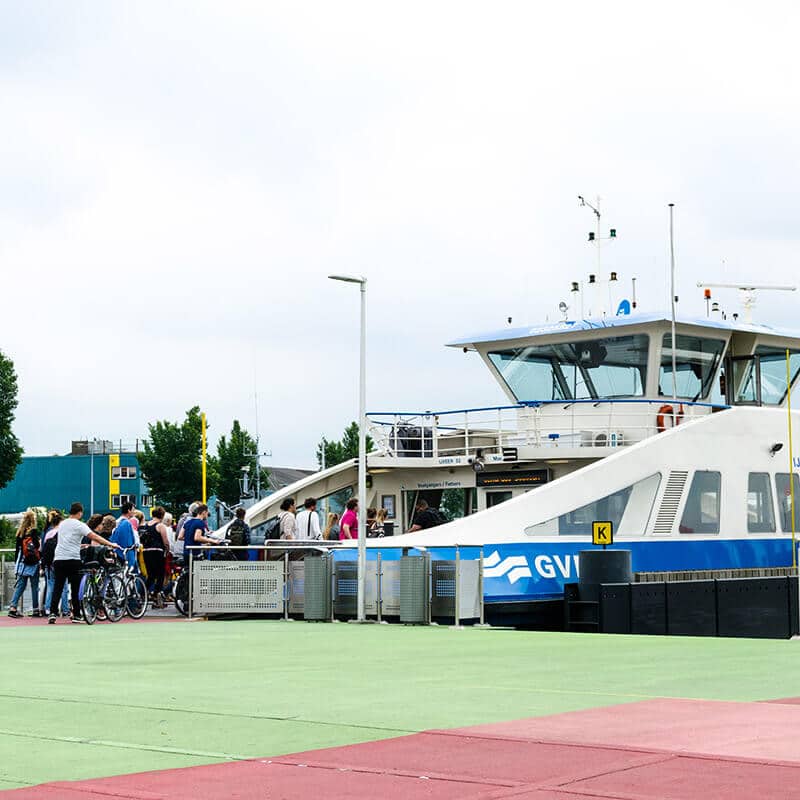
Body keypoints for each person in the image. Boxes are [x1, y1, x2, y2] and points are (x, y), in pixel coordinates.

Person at [49, 502, 118, 624]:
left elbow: (67, 540)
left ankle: (53, 613)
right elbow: (94, 536)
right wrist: (111, 544)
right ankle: (76, 614)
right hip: (73, 559)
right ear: (80, 512)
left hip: (58, 558)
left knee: (58, 587)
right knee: (75, 587)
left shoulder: (62, 524)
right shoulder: (79, 525)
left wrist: (79, 545)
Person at [7, 510, 41, 618]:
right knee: (34, 586)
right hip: (33, 562)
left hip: (22, 562)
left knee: (21, 585)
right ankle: (35, 609)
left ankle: (13, 607)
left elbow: (17, 550)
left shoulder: (20, 532)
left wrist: (16, 562)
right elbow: (36, 545)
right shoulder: (34, 531)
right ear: (33, 520)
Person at [41, 510, 69, 617]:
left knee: (51, 586)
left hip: (49, 563)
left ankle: (48, 609)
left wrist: (43, 564)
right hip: (61, 561)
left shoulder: (48, 533)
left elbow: (43, 549)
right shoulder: (63, 533)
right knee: (64, 587)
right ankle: (65, 609)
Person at [141, 507, 170, 602]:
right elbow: (165, 541)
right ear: (162, 515)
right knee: (160, 574)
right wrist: (167, 549)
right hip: (157, 551)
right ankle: (156, 594)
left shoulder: (146, 525)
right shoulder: (160, 526)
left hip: (146, 551)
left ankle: (143, 593)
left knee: (151, 575)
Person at [111, 501, 138, 568]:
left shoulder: (117, 522)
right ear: (129, 510)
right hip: (125, 552)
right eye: (133, 510)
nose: (134, 512)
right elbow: (128, 542)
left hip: (116, 550)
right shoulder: (126, 523)